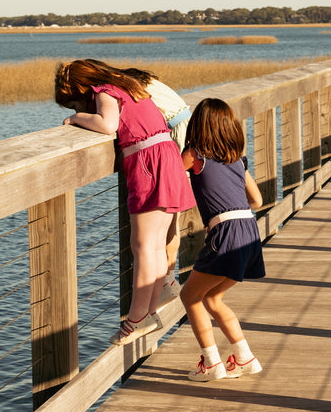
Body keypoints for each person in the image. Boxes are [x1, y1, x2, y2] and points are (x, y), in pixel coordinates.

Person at [54, 59, 196, 346]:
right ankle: (149, 312)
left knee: (143, 247)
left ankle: (135, 319)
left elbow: (108, 125)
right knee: (154, 246)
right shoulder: (129, 87)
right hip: (166, 156)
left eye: (74, 104)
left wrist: (76, 120)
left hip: (147, 162)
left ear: (82, 88)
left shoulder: (104, 91)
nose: (78, 109)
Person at [180, 98, 266, 381]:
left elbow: (171, 178)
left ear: (198, 125)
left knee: (189, 296)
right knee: (214, 299)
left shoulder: (194, 155)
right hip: (250, 232)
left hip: (225, 234)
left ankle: (212, 362)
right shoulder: (237, 160)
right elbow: (257, 199)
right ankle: (244, 359)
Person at [121, 66, 192, 308]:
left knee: (170, 215)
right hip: (183, 126)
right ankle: (167, 281)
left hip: (174, 135)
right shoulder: (145, 82)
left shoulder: (128, 88)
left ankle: (167, 281)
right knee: (172, 214)